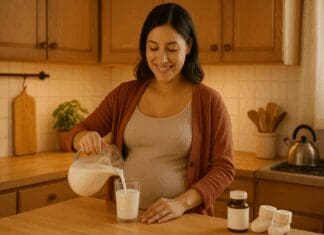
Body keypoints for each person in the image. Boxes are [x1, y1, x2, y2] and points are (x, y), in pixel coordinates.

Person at [65, 3, 234, 224]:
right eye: (153, 48)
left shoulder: (209, 101)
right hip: (126, 220)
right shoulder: (124, 95)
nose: (162, 59)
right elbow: (77, 132)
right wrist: (83, 139)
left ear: (189, 46)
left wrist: (180, 204)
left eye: (172, 49)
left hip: (182, 222)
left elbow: (224, 169)